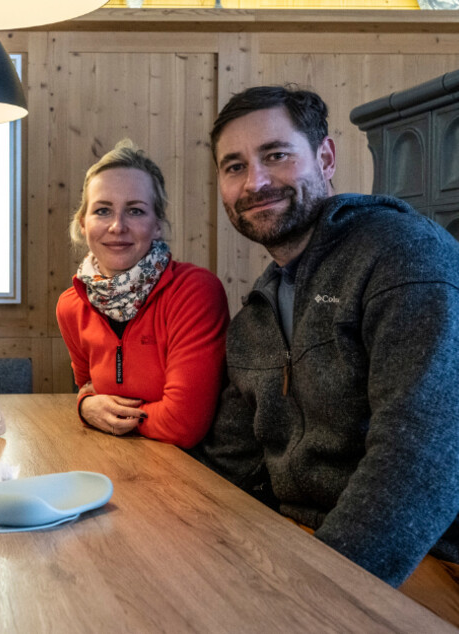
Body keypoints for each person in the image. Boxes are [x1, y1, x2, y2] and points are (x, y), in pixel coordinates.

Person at [194, 86, 459, 597]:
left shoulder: (405, 257)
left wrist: (318, 597)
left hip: (416, 563)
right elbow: (229, 461)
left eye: (276, 154)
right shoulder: (254, 317)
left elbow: (422, 459)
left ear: (326, 156)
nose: (257, 181)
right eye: (234, 166)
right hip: (298, 546)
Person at [56, 140, 230, 449]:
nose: (117, 226)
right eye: (102, 210)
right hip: (116, 462)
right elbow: (88, 389)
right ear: (83, 224)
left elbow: (183, 424)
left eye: (135, 211)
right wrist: (84, 405)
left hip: (193, 474)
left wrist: (100, 413)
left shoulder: (195, 291)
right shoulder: (71, 304)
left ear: (158, 225)